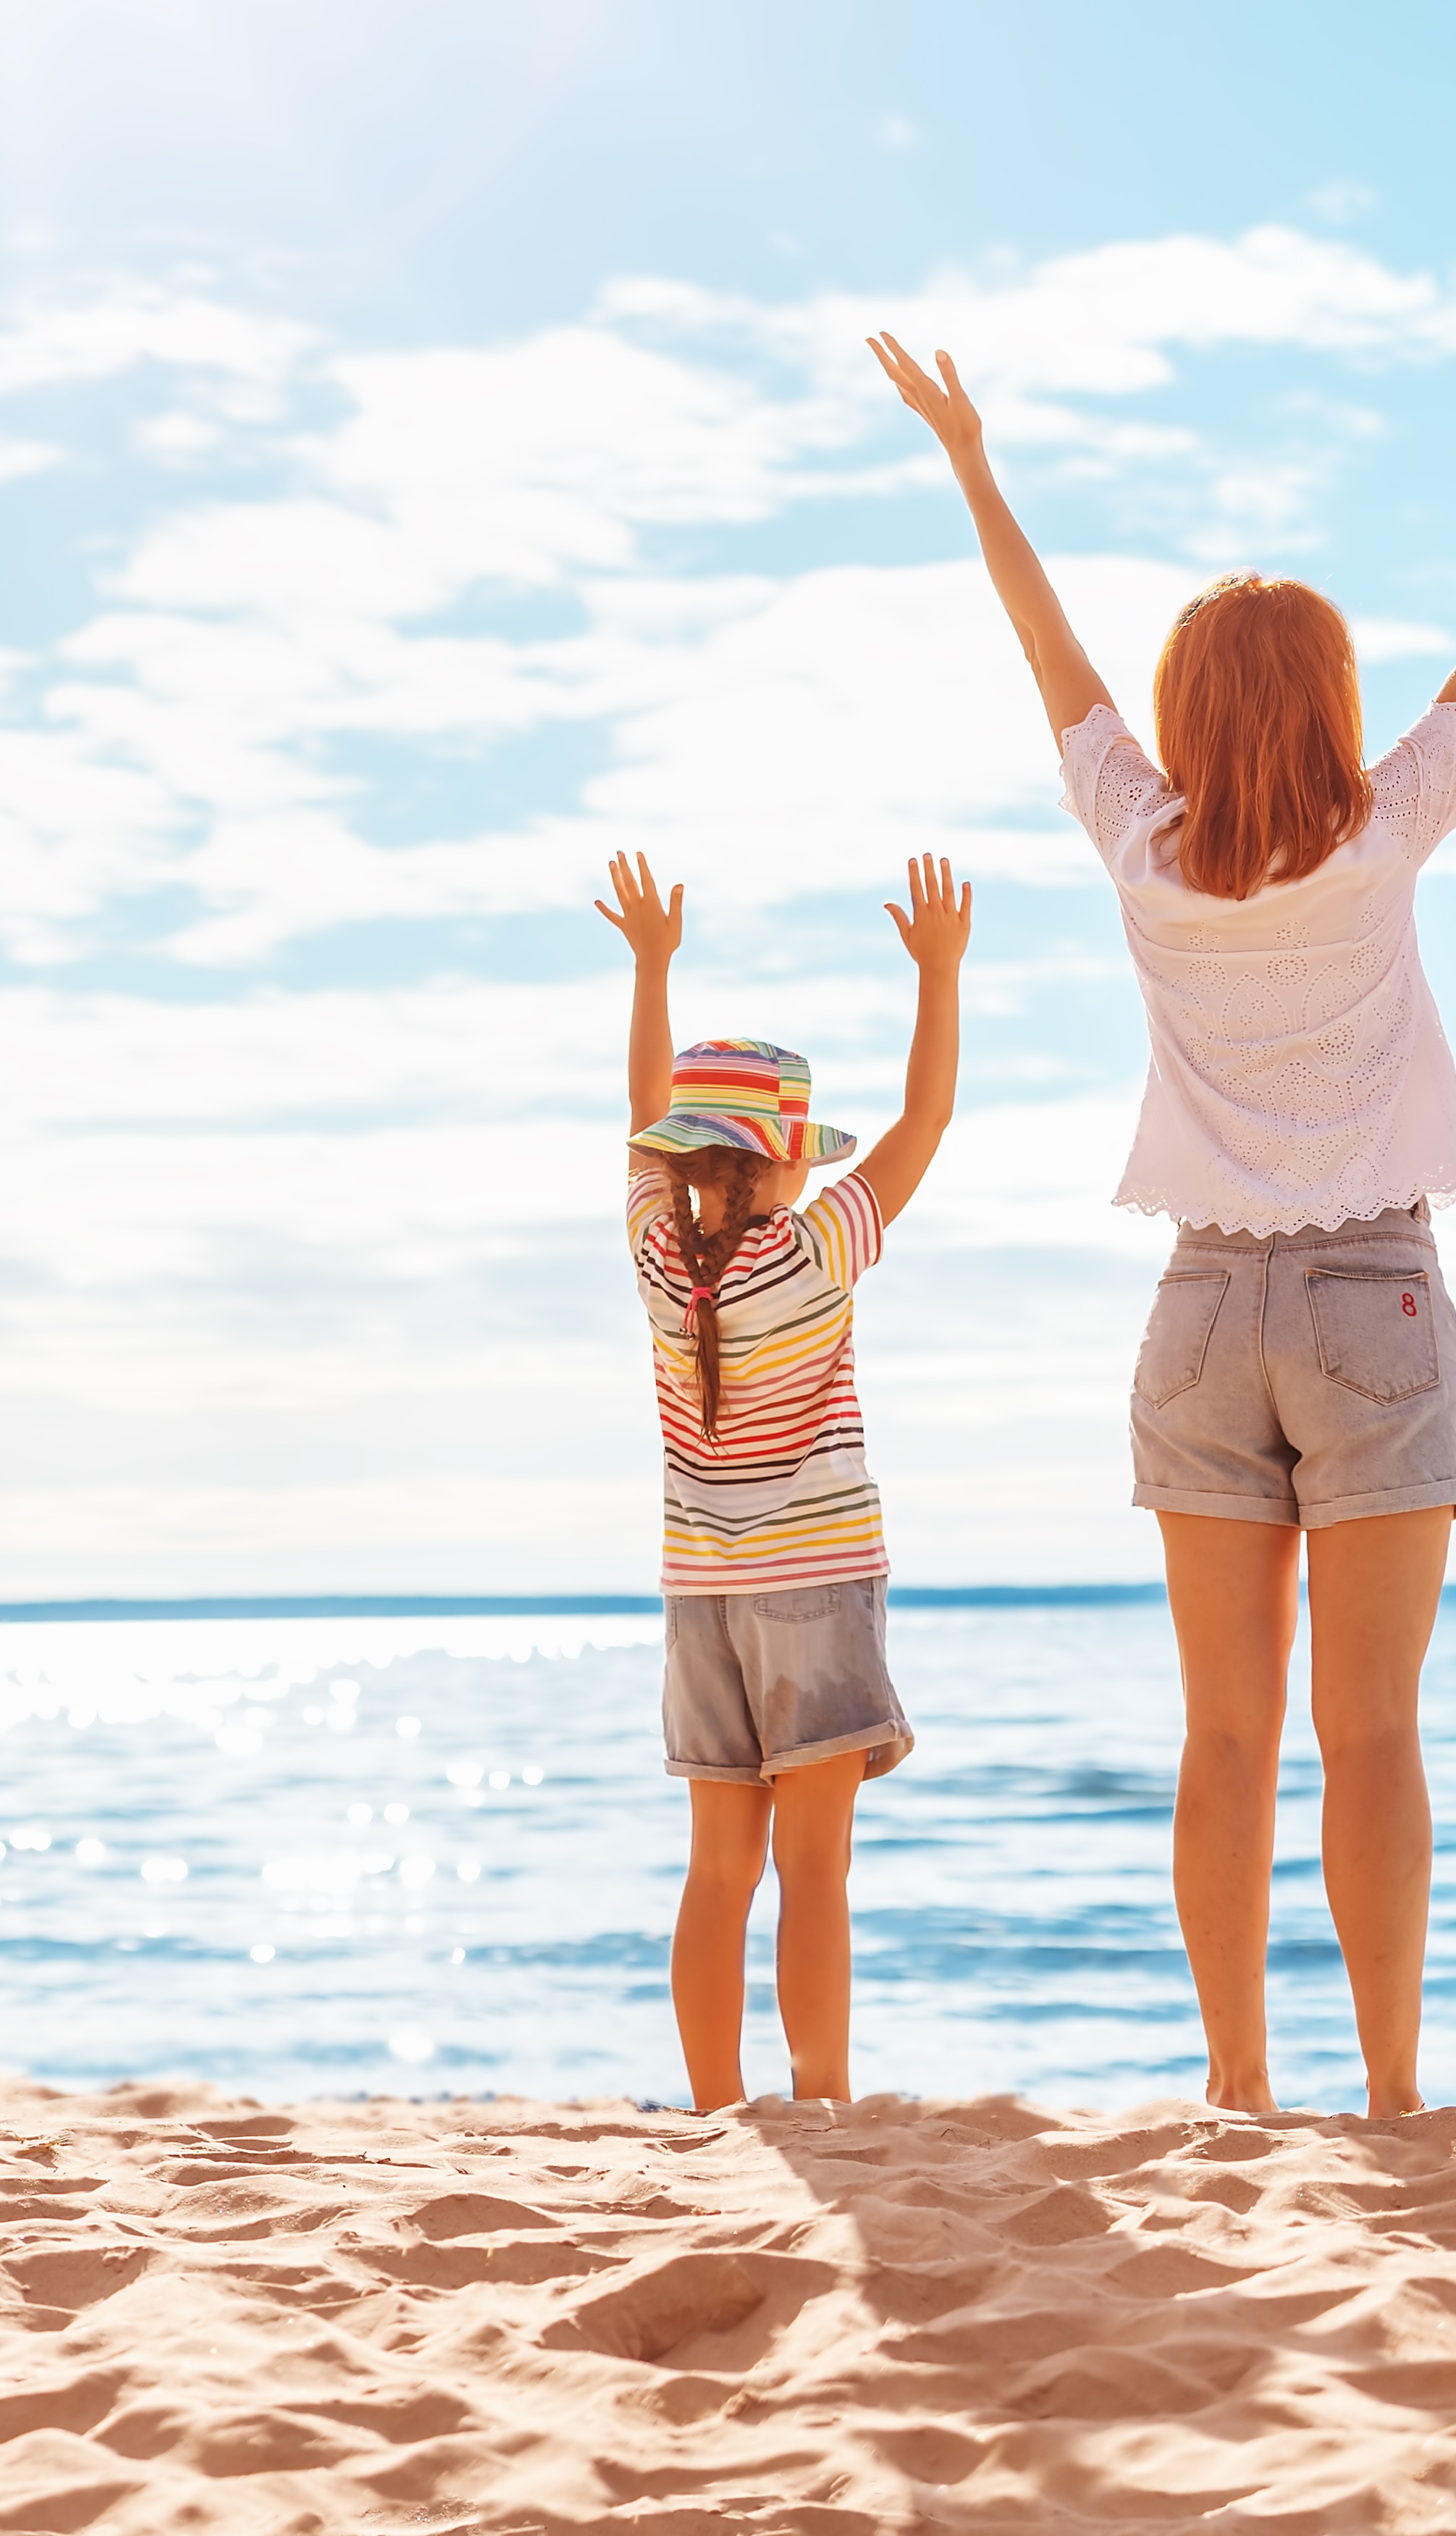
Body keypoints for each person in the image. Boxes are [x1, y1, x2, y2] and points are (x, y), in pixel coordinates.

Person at [868, 299, 1456, 2117]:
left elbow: (1042, 643)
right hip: (1372, 1303)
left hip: (1197, 1318)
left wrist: (974, 460)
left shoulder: (1137, 845)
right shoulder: (1385, 827)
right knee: (1367, 1728)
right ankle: (1389, 2091)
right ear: (1326, 708)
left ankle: (1237, 2078)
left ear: (1181, 716)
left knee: (1221, 1734)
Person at [594, 848, 973, 2112]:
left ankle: (713, 2105)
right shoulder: (819, 1252)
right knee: (817, 1871)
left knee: (718, 1874)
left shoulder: (658, 1255)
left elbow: (639, 1109)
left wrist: (651, 967)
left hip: (700, 1596)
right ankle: (820, 2101)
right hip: (816, 1590)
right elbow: (926, 1126)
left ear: (688, 1161)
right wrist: (940, 977)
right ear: (786, 1160)